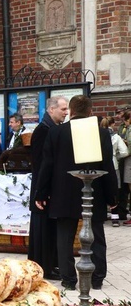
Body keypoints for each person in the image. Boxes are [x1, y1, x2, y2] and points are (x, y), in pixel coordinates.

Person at [35, 95, 117, 290]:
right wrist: (112, 196)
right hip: (94, 190)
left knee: (64, 237)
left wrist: (41, 193)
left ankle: (68, 280)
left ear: (70, 111)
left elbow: (46, 166)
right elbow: (108, 167)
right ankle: (96, 279)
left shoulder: (56, 133)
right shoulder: (102, 133)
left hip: (63, 193)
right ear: (90, 112)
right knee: (96, 235)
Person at [28, 96, 68, 279]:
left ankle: (51, 264)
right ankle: (44, 266)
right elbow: (41, 164)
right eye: (63, 109)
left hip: (48, 189)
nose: (66, 112)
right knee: (42, 230)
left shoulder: (53, 128)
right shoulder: (43, 131)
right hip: (42, 190)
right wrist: (41, 192)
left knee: (49, 229)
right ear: (51, 110)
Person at [101, 117, 128, 227]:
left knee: (100, 189)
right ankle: (115, 216)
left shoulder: (97, 135)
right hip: (113, 165)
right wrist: (116, 156)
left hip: (99, 164)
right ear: (112, 124)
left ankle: (101, 215)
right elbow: (125, 152)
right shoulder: (116, 137)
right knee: (114, 190)